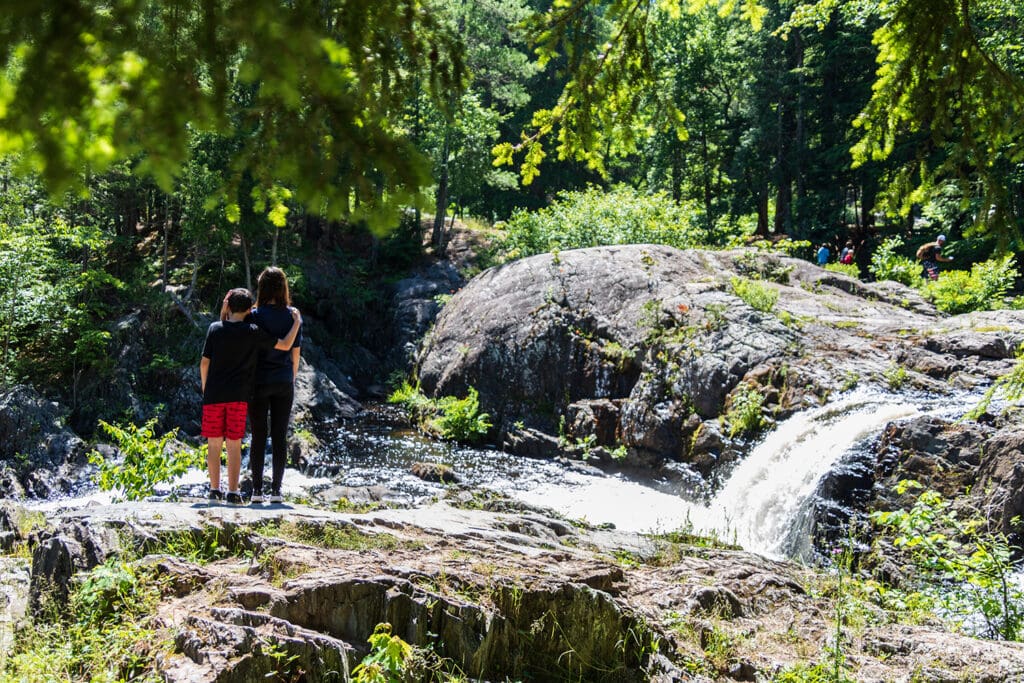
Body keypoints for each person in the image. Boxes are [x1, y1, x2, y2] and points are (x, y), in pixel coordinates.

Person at [200, 288, 301, 504]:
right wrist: (296, 323)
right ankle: (233, 492)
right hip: (238, 396)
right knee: (234, 444)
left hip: (214, 395)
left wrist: (205, 388)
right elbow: (284, 344)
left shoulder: (214, 329)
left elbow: (205, 362)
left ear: (228, 307)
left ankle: (214, 490)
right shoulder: (253, 330)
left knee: (214, 444)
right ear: (249, 310)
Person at [247, 267, 302, 505]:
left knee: (258, 436)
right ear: (283, 288)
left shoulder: (254, 315)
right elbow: (295, 354)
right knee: (279, 436)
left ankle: (257, 491)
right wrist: (291, 377)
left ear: (262, 288)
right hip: (282, 381)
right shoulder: (292, 316)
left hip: (258, 381)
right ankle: (277, 492)